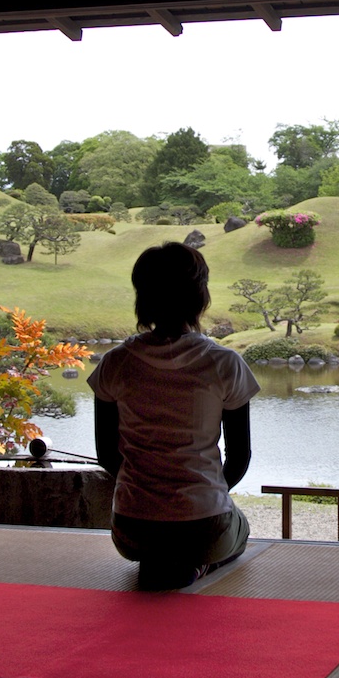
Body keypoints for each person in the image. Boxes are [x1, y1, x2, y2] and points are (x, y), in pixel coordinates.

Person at [88, 241, 260, 590]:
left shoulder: (115, 363)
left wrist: (150, 495)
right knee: (240, 529)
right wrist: (208, 496)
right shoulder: (224, 363)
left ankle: (164, 558)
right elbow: (239, 456)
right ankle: (196, 565)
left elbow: (106, 453)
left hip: (131, 531)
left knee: (169, 535)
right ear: (199, 297)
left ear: (143, 297)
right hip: (204, 525)